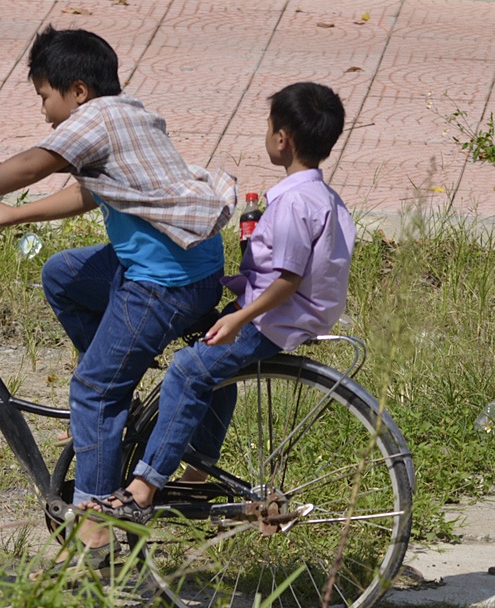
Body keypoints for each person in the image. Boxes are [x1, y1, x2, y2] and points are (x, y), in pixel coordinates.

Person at [0, 26, 237, 567]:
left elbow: (30, 164)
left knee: (93, 389)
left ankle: (95, 528)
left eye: (45, 96)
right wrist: (16, 213)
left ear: (79, 90)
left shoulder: (95, 119)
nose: (44, 111)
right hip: (188, 265)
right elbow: (92, 190)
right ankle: (125, 402)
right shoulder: (127, 113)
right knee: (64, 274)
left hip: (164, 281)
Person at [91, 81, 354, 524]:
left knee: (189, 369)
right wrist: (238, 282)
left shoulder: (292, 204)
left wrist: (240, 319)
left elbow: (289, 280)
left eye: (269, 126)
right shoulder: (324, 197)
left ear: (281, 139)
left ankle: (144, 487)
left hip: (274, 317)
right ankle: (199, 466)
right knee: (212, 363)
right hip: (285, 309)